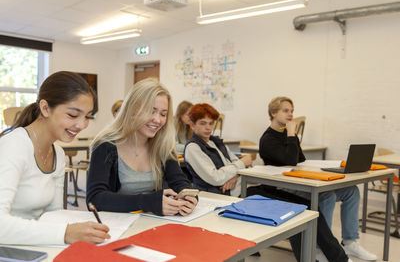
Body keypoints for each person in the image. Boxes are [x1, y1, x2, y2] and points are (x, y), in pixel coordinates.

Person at [184, 103, 351, 262]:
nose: (208, 127)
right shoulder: (193, 148)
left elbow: (241, 164)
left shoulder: (214, 141)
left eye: (211, 123)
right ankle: (334, 258)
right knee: (299, 209)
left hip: (242, 187)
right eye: (203, 123)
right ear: (192, 124)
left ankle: (333, 258)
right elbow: (216, 177)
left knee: (306, 208)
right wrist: (240, 166)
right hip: (228, 197)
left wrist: (235, 174)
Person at [259, 96, 376, 261]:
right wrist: (292, 134)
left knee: (351, 191)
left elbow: (300, 158)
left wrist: (291, 137)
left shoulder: (287, 134)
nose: (290, 114)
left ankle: (350, 242)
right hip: (281, 187)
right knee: (327, 196)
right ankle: (320, 246)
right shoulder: (267, 139)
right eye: (286, 111)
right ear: (273, 113)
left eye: (292, 111)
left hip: (297, 181)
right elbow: (291, 160)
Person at [0, 71, 110, 245]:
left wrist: (80, 230)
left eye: (87, 116)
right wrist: (66, 232)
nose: (82, 125)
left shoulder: (58, 153)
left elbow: (55, 216)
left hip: (33, 247)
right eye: (73, 115)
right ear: (45, 108)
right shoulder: (14, 145)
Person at [86, 78, 197, 216]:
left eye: (163, 114)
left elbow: (180, 182)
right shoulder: (106, 146)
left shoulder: (162, 145)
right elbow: (95, 199)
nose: (157, 120)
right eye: (151, 111)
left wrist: (189, 197)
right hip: (116, 226)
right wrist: (149, 202)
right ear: (132, 109)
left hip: (151, 224)